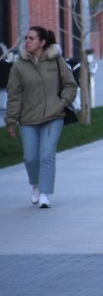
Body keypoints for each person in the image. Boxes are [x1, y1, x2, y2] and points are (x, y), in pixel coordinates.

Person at [4, 26, 77, 208]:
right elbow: (14, 95)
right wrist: (11, 121)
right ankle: (35, 184)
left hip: (54, 116)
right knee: (30, 158)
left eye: (31, 38)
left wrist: (61, 103)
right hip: (28, 119)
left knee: (46, 154)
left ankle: (44, 193)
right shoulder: (19, 66)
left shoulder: (56, 61)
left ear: (42, 42)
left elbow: (70, 85)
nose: (27, 41)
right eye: (26, 38)